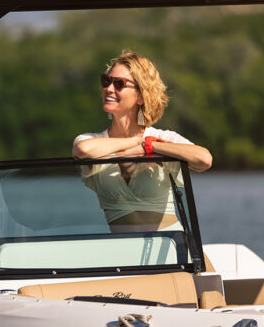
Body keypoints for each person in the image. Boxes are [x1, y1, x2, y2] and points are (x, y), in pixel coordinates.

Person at [72, 50, 212, 232]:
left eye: (119, 83)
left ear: (140, 95)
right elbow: (83, 150)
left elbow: (204, 160)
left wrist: (149, 146)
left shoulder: (162, 139)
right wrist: (136, 142)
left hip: (172, 249)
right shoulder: (93, 140)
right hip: (125, 253)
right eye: (106, 81)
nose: (109, 89)